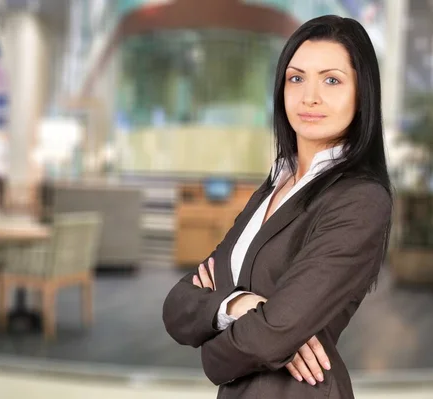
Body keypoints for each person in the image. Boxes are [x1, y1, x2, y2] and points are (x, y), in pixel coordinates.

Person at [162, 15, 392, 399]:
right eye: (296, 78)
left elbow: (270, 337)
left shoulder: (361, 199)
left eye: (331, 80)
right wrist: (239, 303)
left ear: (362, 93)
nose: (309, 97)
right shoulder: (275, 184)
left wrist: (215, 347)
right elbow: (178, 304)